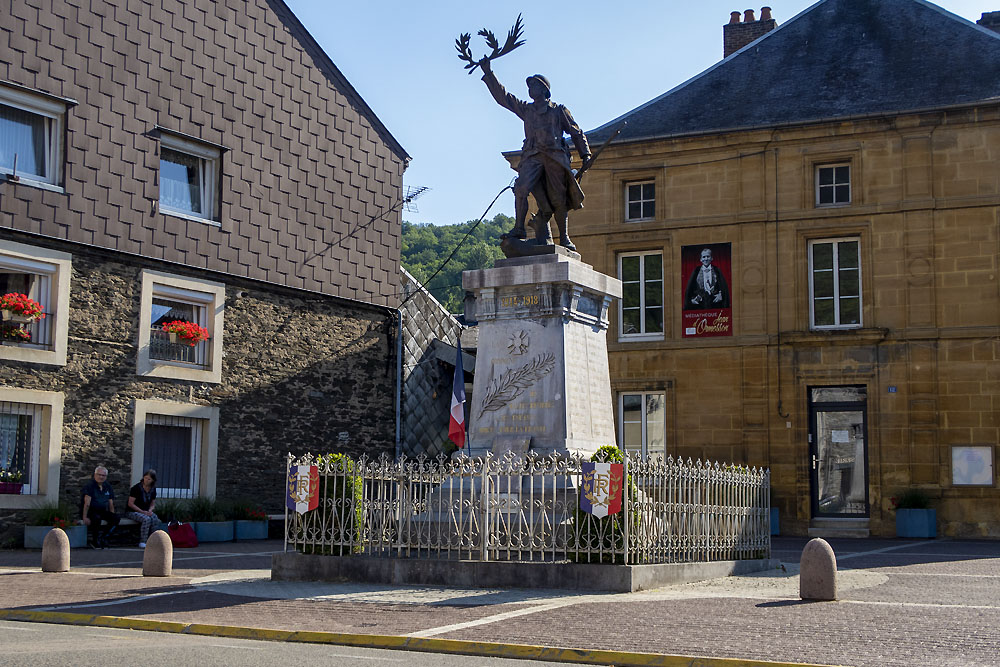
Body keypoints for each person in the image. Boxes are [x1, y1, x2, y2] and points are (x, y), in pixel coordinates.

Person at [480, 58, 592, 251]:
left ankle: (564, 237)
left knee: (559, 197)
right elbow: (504, 98)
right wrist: (489, 74)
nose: (530, 89)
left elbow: (576, 131)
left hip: (555, 156)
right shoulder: (527, 109)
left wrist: (586, 154)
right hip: (533, 156)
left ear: (544, 90)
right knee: (521, 188)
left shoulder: (558, 111)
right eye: (529, 86)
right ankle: (519, 228)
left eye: (533, 85)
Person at [81, 465, 119, 549]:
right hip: (91, 511)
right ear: (95, 475)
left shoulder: (107, 486)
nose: (101, 477)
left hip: (102, 511)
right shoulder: (90, 486)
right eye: (99, 475)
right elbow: (87, 503)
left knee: (116, 518)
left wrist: (111, 515)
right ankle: (95, 541)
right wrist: (84, 517)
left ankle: (104, 538)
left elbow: (110, 503)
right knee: (96, 519)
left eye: (103, 475)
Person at [126, 469, 161, 548]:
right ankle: (143, 541)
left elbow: (152, 503)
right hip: (133, 511)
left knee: (155, 518)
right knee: (146, 519)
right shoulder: (136, 488)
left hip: (146, 510)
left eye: (149, 479)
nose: (146, 480)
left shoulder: (153, 489)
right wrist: (142, 511)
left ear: (153, 480)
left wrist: (150, 510)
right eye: (145, 478)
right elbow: (130, 504)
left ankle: (153, 539)